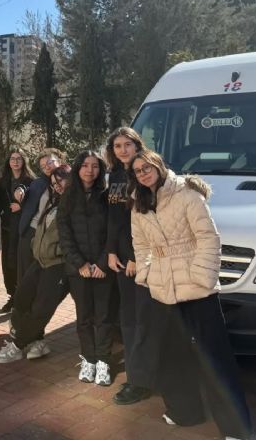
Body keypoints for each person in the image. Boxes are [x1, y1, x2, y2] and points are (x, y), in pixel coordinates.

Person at [129, 149, 253, 439]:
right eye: (137, 171)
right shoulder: (138, 202)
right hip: (162, 289)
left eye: (147, 167)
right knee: (171, 355)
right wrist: (146, 274)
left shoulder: (186, 192)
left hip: (197, 289)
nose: (143, 173)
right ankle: (184, 411)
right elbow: (141, 244)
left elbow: (208, 237)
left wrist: (202, 276)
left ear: (159, 165)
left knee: (214, 357)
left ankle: (237, 428)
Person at [0, 165, 71, 363]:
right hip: (40, 260)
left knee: (41, 308)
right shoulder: (54, 201)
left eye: (60, 181)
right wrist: (36, 245)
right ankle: (36, 341)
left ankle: (17, 346)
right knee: (21, 297)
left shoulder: (75, 205)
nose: (57, 186)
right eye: (54, 183)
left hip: (58, 264)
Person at [104, 127, 154, 405]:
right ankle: (136, 377)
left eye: (127, 144)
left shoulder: (144, 172)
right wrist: (111, 251)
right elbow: (114, 217)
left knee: (141, 319)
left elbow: (147, 217)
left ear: (137, 145)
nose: (122, 150)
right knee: (129, 319)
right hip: (121, 259)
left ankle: (143, 381)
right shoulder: (115, 175)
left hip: (141, 259)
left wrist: (136, 256)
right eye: (117, 146)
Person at [58, 151, 113, 386]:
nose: (90, 170)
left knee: (104, 317)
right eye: (85, 165)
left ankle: (103, 361)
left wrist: (102, 263)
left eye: (95, 166)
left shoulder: (107, 196)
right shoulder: (68, 196)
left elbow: (113, 232)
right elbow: (64, 233)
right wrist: (79, 263)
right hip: (78, 269)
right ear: (78, 168)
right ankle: (89, 359)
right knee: (84, 317)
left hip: (102, 269)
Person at [0, 148, 35, 312]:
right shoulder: (3, 181)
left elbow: (36, 204)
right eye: (13, 158)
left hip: (24, 229)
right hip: (7, 228)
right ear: (9, 161)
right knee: (8, 262)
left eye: (19, 158)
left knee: (23, 262)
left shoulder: (31, 181)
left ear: (24, 161)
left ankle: (24, 296)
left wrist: (21, 206)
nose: (16, 161)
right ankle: (12, 295)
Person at [17, 149, 64, 283]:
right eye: (43, 166)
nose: (47, 167)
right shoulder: (38, 183)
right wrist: (20, 190)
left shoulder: (70, 182)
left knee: (44, 276)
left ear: (59, 160)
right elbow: (26, 187)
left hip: (52, 236)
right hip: (32, 231)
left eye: (49, 162)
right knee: (26, 275)